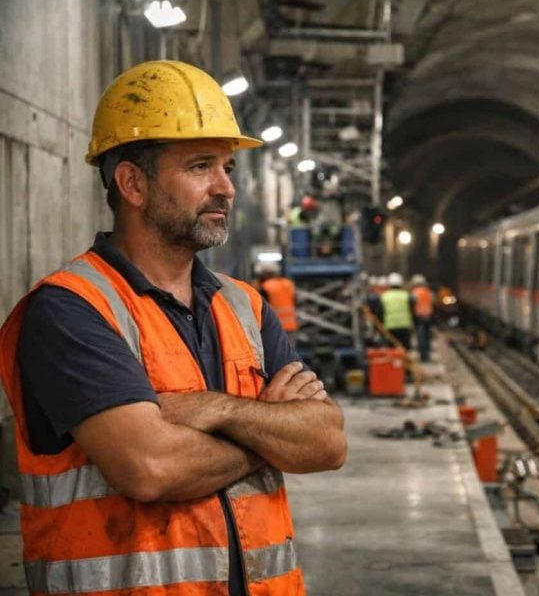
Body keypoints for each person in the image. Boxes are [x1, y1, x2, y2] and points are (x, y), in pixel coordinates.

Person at [0, 60, 346, 596]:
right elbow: (150, 466)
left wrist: (221, 410)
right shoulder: (71, 311)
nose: (225, 188)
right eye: (201, 166)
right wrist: (271, 434)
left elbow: (327, 442)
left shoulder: (245, 306)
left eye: (228, 168)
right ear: (133, 183)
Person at [379, 272, 414, 350]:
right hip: (404, 327)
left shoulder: (384, 296)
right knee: (405, 350)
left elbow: (380, 312)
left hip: (390, 327)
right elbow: (412, 310)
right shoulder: (406, 295)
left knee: (392, 350)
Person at [259, 267, 300, 334]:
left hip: (274, 325)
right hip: (291, 323)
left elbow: (261, 305)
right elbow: (295, 300)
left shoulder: (266, 286)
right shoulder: (288, 283)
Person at [410, 274, 434, 362]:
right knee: (427, 337)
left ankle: (424, 357)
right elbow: (432, 303)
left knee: (421, 337)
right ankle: (427, 355)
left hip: (419, 317)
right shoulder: (428, 292)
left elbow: (412, 305)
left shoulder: (414, 293)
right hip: (428, 316)